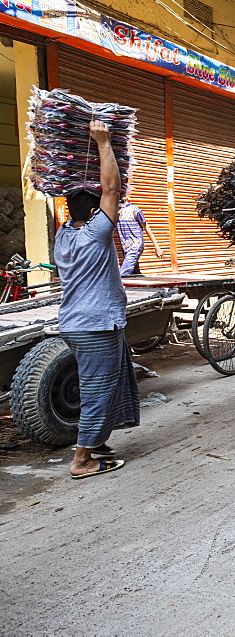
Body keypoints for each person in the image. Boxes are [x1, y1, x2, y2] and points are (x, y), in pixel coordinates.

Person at [56, 121, 137, 479]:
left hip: (79, 322)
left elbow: (97, 194)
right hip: (95, 325)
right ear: (94, 214)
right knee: (98, 391)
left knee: (112, 383)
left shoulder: (64, 234)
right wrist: (103, 142)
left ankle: (99, 441)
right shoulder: (94, 234)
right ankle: (82, 459)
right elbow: (111, 188)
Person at [117, 193, 165, 276]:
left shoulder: (135, 210)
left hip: (135, 246)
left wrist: (157, 247)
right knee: (135, 274)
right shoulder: (117, 212)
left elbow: (147, 228)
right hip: (125, 247)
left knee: (123, 274)